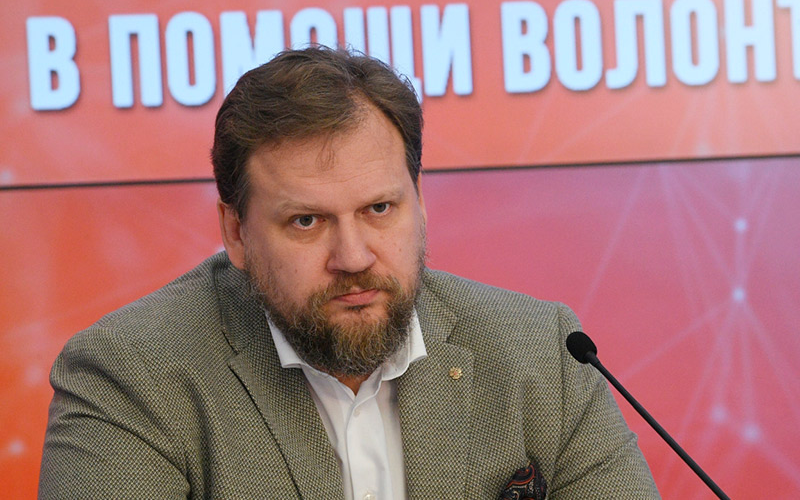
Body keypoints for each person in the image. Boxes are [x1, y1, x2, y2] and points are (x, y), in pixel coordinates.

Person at [38, 46, 660, 499]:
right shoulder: (131, 377)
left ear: (419, 200)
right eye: (307, 221)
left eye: (379, 209)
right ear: (236, 232)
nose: (354, 256)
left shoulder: (544, 354)